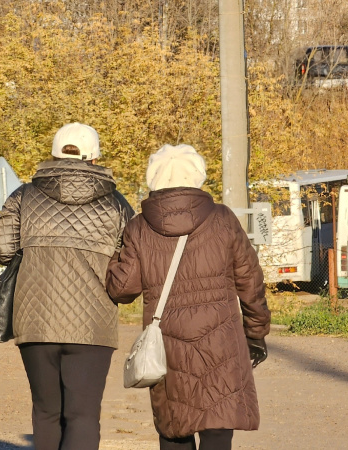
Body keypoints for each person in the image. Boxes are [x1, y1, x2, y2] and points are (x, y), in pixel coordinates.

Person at [106, 144, 270, 450]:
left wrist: (117, 252)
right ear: (197, 176)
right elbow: (250, 279)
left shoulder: (139, 227)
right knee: (218, 423)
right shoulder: (222, 219)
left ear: (153, 178)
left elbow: (122, 288)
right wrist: (256, 333)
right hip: (221, 342)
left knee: (174, 428)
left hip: (168, 344)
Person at [0, 122, 134, 450]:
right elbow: (133, 265)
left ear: (53, 155)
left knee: (46, 412)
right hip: (93, 325)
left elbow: (1, 247)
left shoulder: (25, 195)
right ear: (95, 159)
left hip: (35, 318)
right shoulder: (117, 204)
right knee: (83, 415)